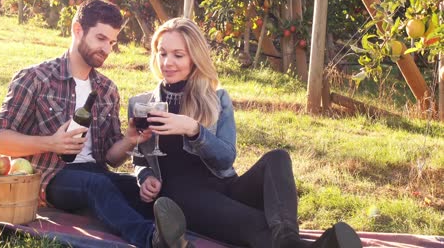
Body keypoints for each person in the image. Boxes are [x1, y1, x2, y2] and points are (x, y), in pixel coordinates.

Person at [127, 17, 364, 248]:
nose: (168, 62)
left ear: (194, 58)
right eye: (162, 52)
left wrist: (193, 130)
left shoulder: (216, 99)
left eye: (178, 55)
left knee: (278, 157)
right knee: (258, 223)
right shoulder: (142, 105)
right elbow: (139, 156)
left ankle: (289, 240)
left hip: (226, 186)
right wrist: (145, 176)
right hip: (181, 195)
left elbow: (226, 158)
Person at [0, 0, 193, 248]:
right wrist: (51, 143)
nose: (107, 48)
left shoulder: (106, 89)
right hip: (50, 178)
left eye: (112, 42)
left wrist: (129, 140)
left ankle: (177, 236)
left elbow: (111, 158)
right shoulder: (35, 78)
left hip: (97, 174)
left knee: (142, 189)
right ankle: (151, 240)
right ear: (77, 30)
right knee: (97, 186)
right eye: (100, 38)